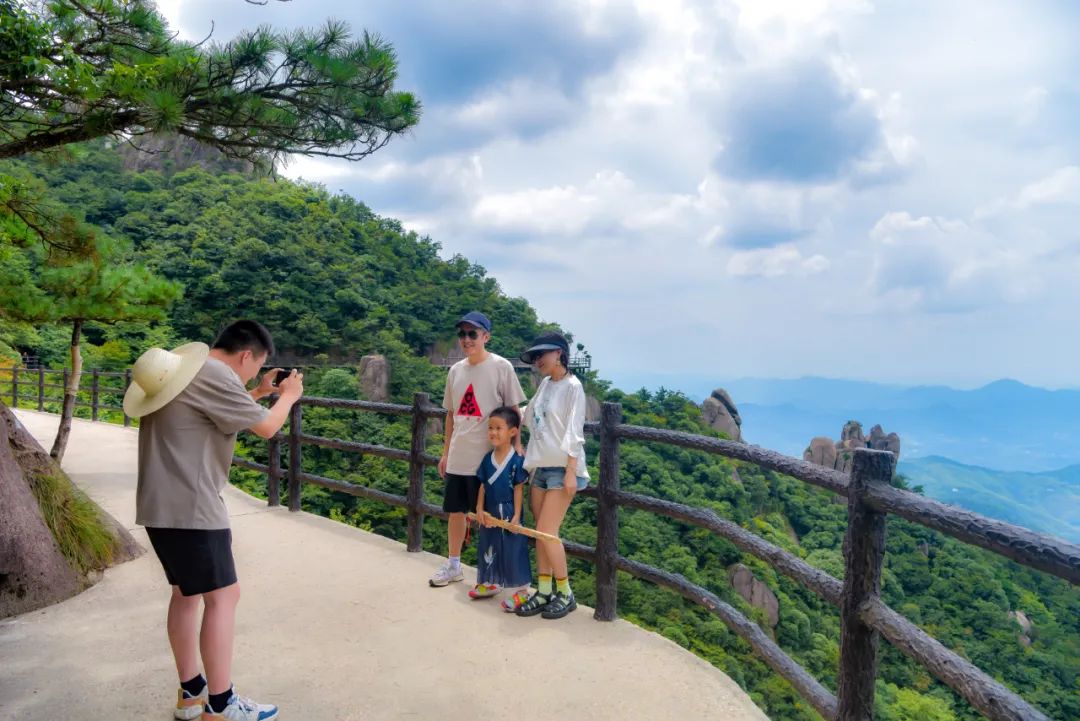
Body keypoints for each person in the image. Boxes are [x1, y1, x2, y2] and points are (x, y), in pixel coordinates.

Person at [124, 320, 302, 721]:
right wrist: (287, 396)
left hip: (160, 506)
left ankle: (192, 695)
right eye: (256, 368)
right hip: (193, 507)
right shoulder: (218, 375)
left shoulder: (186, 374)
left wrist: (258, 392)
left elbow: (212, 412)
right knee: (224, 597)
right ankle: (221, 707)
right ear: (246, 356)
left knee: (185, 595)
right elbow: (268, 427)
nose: (254, 373)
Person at [431, 311, 526, 591]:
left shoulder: (501, 367)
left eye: (473, 334)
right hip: (460, 455)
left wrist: (516, 448)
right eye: (462, 334)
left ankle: (493, 573)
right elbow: (451, 414)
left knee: (491, 518)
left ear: (486, 336)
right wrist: (446, 452)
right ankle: (454, 566)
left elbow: (513, 411)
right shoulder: (455, 370)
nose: (467, 339)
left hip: (490, 459)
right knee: (456, 512)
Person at [515, 331, 589, 620]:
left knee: (547, 532)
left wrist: (571, 472)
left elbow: (574, 430)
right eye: (534, 357)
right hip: (541, 468)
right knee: (540, 534)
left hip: (562, 470)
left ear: (559, 353)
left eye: (541, 355)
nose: (537, 361)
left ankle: (566, 593)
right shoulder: (545, 384)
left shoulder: (574, 387)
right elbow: (531, 413)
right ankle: (544, 591)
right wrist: (507, 414)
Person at [471, 406, 533, 612]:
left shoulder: (517, 460)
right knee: (489, 546)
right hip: (489, 511)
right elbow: (482, 485)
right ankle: (491, 582)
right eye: (490, 428)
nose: (493, 432)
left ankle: (523, 591)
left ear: (513, 432)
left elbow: (518, 489)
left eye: (499, 428)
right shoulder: (487, 459)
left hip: (509, 512)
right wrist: (479, 508)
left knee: (514, 549)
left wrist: (516, 516)